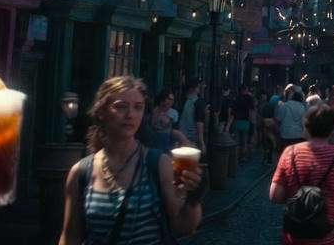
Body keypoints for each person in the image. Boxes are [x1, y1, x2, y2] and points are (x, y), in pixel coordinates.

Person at [59, 76, 203, 244]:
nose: (130, 115)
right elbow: (70, 236)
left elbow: (181, 227)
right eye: (121, 107)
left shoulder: (157, 163)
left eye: (138, 108)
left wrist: (193, 197)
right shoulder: (81, 172)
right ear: (101, 112)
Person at [269, 104, 334, 244]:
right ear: (332, 129)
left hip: (295, 236)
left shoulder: (290, 153)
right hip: (331, 237)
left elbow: (275, 196)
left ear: (306, 126)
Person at [177, 79, 207, 155]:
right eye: (198, 87)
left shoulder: (181, 100)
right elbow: (199, 123)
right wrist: (202, 142)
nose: (200, 88)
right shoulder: (198, 102)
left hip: (180, 137)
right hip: (192, 139)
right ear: (193, 88)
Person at [276, 87, 308, 157]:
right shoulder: (302, 107)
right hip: (299, 135)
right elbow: (304, 122)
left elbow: (278, 119)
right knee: (297, 156)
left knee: (285, 155)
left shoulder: (284, 106)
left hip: (285, 135)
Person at [232, 85, 256, 163]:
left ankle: (236, 157)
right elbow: (252, 110)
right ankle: (243, 157)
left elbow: (233, 111)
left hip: (237, 121)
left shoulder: (236, 98)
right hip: (246, 122)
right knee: (244, 141)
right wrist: (253, 122)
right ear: (245, 90)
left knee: (237, 141)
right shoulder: (249, 98)